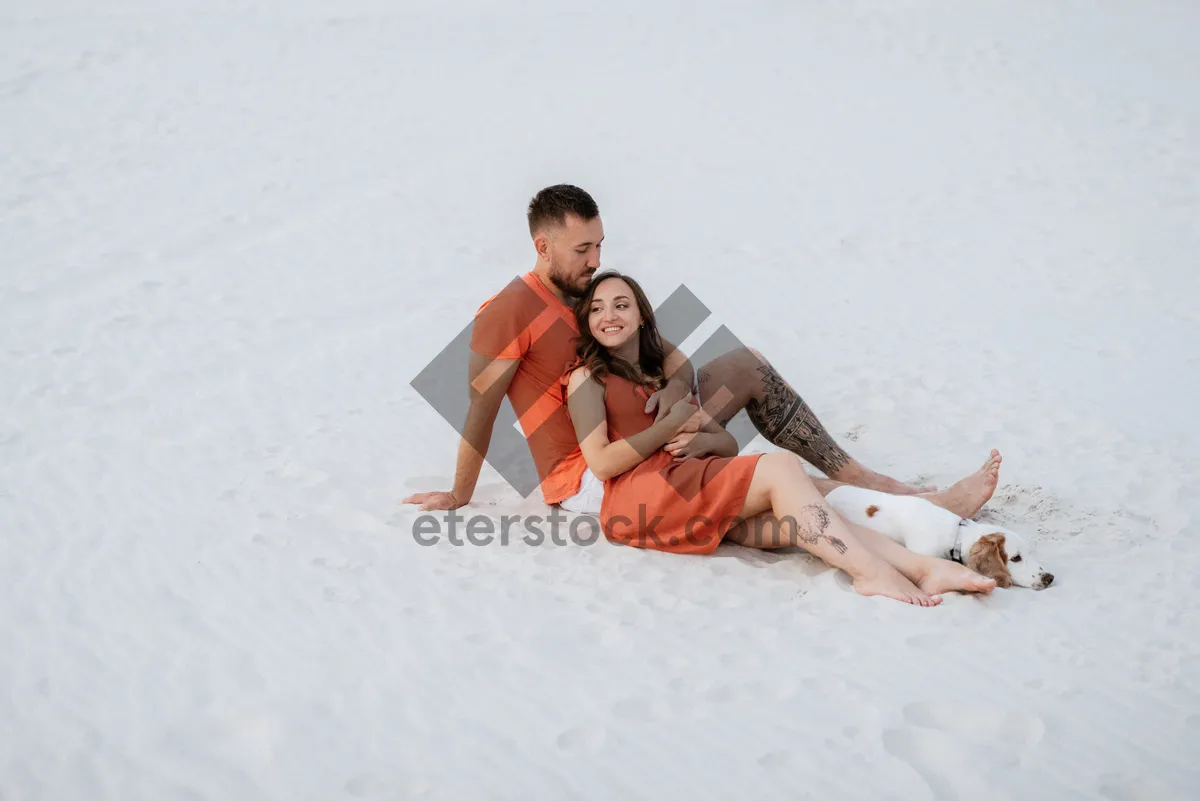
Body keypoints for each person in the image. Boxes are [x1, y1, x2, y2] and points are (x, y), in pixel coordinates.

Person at [403, 184, 1001, 519]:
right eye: (582, 248)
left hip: (648, 423)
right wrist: (459, 493)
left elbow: (673, 358)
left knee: (745, 363)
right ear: (543, 244)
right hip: (599, 466)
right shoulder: (509, 310)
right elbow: (479, 410)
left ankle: (866, 480)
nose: (594, 260)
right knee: (761, 478)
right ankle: (918, 511)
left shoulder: (592, 298)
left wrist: (671, 391)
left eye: (600, 244)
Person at [563, 271, 997, 605]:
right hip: (639, 496)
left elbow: (725, 445)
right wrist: (665, 426)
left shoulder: (657, 370)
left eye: (621, 305)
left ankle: (920, 568)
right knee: (783, 467)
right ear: (587, 321)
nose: (609, 316)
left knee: (802, 510)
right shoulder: (587, 378)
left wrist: (703, 439)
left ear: (641, 315)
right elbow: (600, 463)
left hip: (684, 481)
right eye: (597, 309)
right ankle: (869, 574)